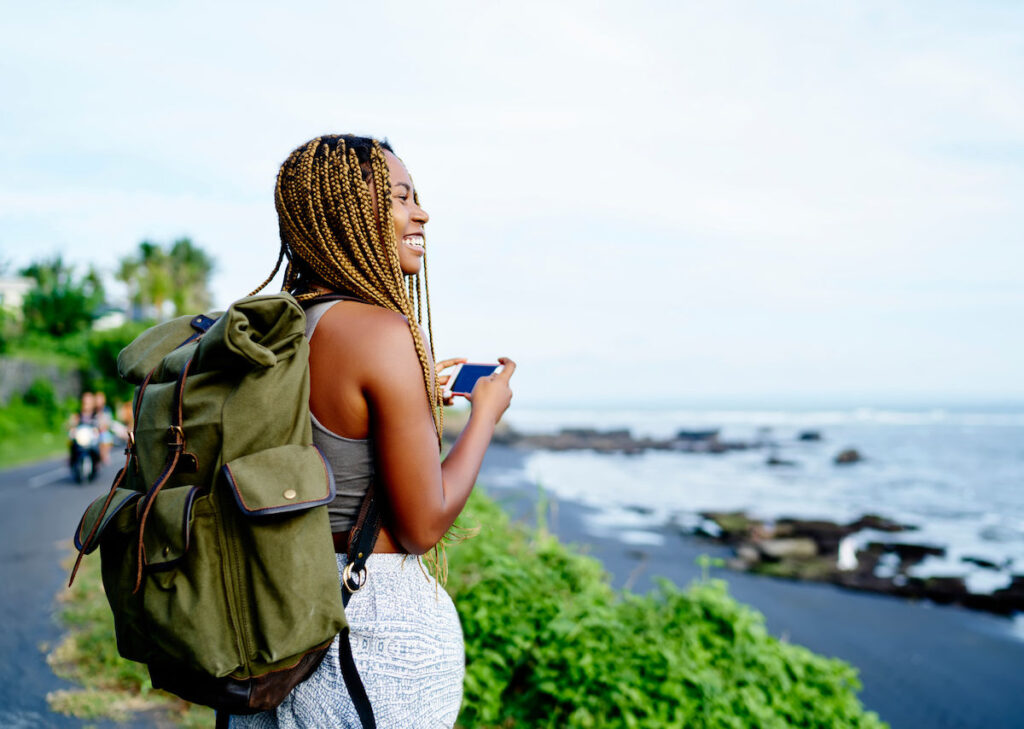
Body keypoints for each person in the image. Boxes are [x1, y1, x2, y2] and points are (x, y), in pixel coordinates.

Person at [230, 135, 515, 728]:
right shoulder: (381, 333)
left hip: (274, 619)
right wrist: (483, 416)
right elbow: (421, 526)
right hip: (371, 632)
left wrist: (411, 400)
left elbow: (323, 432)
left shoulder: (281, 328)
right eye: (400, 197)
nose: (421, 213)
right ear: (346, 214)